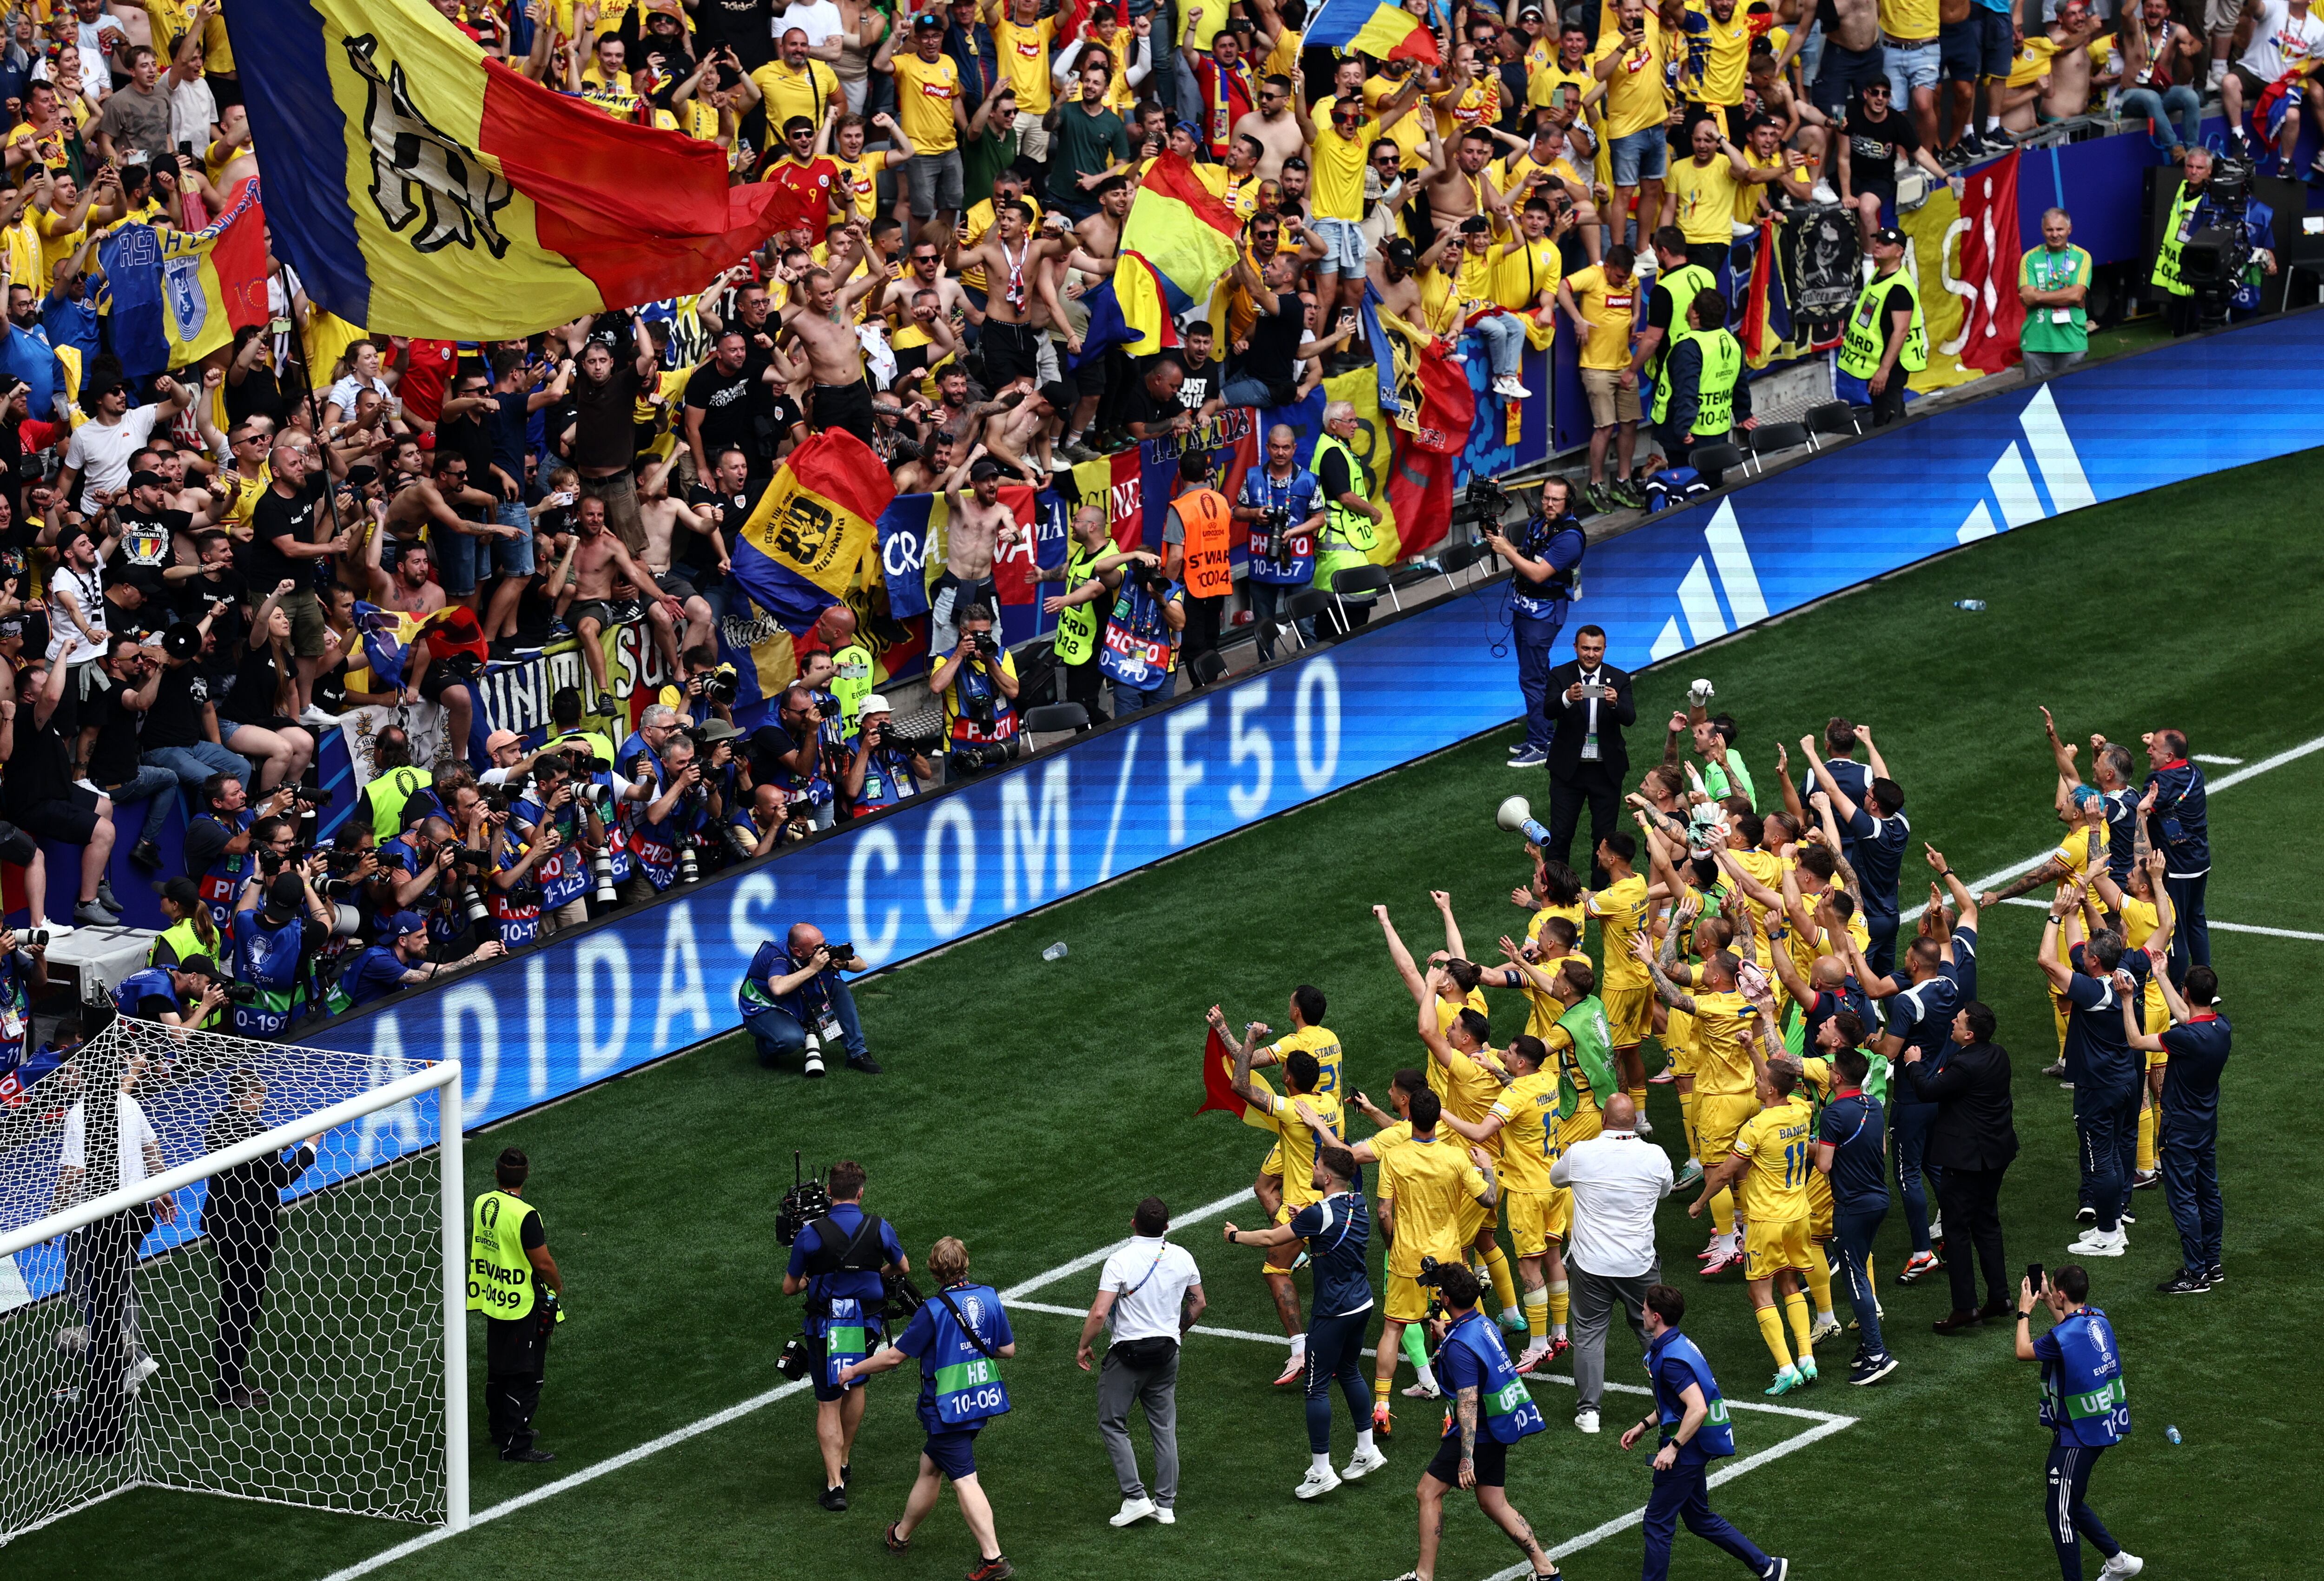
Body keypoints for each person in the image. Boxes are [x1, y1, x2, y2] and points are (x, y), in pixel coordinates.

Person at [838, 1236, 1016, 1581]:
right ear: (966, 1264)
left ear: (935, 1273)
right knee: (931, 1467)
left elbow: (894, 1357)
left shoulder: (933, 1311)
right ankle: (900, 1535)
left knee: (965, 1480)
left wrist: (853, 1369)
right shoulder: (990, 1297)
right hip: (978, 1401)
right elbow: (1007, 1350)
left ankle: (993, 1558)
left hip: (947, 1409)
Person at [1223, 1144, 1388, 1498]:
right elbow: (1328, 1223)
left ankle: (1321, 1471)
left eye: (1317, 1166)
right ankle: (1366, 1450)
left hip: (1333, 1311)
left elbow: (1270, 1238)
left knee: (1316, 1388)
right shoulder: (1356, 1201)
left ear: (1327, 1177)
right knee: (1350, 1371)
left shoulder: (1318, 1215)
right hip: (1363, 1303)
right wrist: (1307, 1218)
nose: (1312, 1170)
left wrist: (1235, 1236)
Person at [1390, 1260, 1563, 1581]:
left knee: (1428, 1493)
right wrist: (1447, 1336)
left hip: (1478, 1434)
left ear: (1446, 1300)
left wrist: (1466, 1459)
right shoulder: (1482, 1324)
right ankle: (1546, 1571)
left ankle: (1423, 1576)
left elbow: (1468, 1401)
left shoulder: (1459, 1345)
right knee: (1493, 1502)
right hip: (1498, 1427)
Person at [1618, 1283, 1791, 1581]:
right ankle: (1768, 1567)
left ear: (1657, 1316)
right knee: (1699, 1519)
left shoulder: (1671, 1359)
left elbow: (1697, 1408)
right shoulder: (1679, 1345)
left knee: (1657, 1523)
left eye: (1646, 1308)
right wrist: (1644, 1425)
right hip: (1695, 1446)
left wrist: (1673, 1447)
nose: (1642, 1312)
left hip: (1686, 1452)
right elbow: (1677, 1404)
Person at [1689, 1038, 1819, 1395]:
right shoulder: (1801, 1110)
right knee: (1790, 1284)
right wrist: (1750, 1050)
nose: (1756, 1083)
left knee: (1760, 1294)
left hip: (1766, 1221)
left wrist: (1700, 1202)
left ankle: (1786, 1367)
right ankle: (1806, 1359)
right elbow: (1773, 1077)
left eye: (1761, 1082)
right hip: (1799, 1214)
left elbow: (1725, 1173)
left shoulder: (1756, 1128)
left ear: (1772, 1089)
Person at [786, 1159, 910, 1510]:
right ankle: (843, 1460)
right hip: (867, 1324)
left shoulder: (811, 1234)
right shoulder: (879, 1227)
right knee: (854, 1384)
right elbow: (902, 1267)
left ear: (829, 1193)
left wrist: (811, 1281)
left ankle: (835, 1486)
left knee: (828, 1400)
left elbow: (789, 1287)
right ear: (860, 1193)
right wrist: (874, 1274)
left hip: (826, 1325)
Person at [1076, 1195, 1205, 1527]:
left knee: (1112, 1423)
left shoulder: (1120, 1261)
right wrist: (1177, 1332)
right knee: (1164, 1428)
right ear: (1166, 1226)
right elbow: (1199, 1302)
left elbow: (1100, 1312)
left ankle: (1135, 1497)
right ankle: (1166, 1506)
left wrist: (1084, 1346)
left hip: (1128, 1358)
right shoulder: (1183, 1256)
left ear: (1133, 1223)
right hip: (1167, 1354)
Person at [203, 1069, 322, 1410]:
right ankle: (228, 1389)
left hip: (221, 1225)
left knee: (233, 1303)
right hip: (249, 1232)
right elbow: (281, 1178)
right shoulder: (254, 1132)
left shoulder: (218, 1123)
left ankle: (231, 1381)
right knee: (243, 1308)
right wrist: (309, 1147)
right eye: (262, 1096)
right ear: (252, 1095)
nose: (264, 1102)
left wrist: (275, 1143)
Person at [2014, 1265, 2141, 1581]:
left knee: (2059, 1513)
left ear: (2061, 1293)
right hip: (2097, 1424)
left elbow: (2023, 1351)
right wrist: (2047, 1301)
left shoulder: (2067, 1333)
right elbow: (2067, 1339)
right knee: (2069, 1501)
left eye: (2052, 1290)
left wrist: (2024, 1312)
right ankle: (2118, 1561)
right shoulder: (2096, 1318)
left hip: (2077, 1436)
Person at [1904, 1001, 2020, 1331]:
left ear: (1969, 1035)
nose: (1953, 1022)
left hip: (1966, 1159)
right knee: (1987, 1224)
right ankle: (1999, 1297)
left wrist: (1914, 1065)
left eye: (1959, 1021)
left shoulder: (1964, 1066)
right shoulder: (1998, 1054)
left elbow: (1928, 1091)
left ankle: (1965, 1307)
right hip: (1996, 1154)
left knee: (1956, 1232)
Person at [2124, 964, 2228, 1293]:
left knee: (2184, 1200)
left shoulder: (2184, 1038)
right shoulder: (2221, 1028)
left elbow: (2137, 1041)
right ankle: (2212, 1263)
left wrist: (2128, 1001)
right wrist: (2161, 976)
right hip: (2205, 1125)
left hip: (2180, 1129)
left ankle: (2195, 1273)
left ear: (2186, 993)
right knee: (2208, 1193)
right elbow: (2187, 1016)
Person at [467, 1147, 564, 1464]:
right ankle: (516, 1445)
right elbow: (544, 1263)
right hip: (523, 1303)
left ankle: (500, 1430)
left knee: (498, 1370)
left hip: (494, 1297)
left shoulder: (482, 1203)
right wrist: (557, 1286)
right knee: (526, 1375)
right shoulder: (526, 1215)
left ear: (496, 1174)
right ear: (527, 1175)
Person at [1487, 478, 1585, 770]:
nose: (1549, 504)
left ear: (1569, 502)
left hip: (1544, 614)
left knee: (1532, 679)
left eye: (1556, 500)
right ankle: (1546, 734)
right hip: (1525, 608)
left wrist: (1507, 551)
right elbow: (1526, 558)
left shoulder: (1570, 537)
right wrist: (1503, 541)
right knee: (1536, 674)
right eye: (1546, 498)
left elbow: (1539, 574)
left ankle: (1539, 744)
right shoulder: (1538, 522)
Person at [1813, 1041, 1896, 1384]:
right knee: (1859, 1269)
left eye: (1832, 1069)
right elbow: (1881, 1148)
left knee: (1854, 1277)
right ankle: (1868, 1347)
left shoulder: (1833, 1114)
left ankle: (1877, 1353)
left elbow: (1824, 1165)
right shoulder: (1874, 1105)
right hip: (1878, 1200)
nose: (1829, 1072)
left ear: (1837, 1077)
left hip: (1851, 1207)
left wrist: (1809, 1148)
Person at [1543, 626, 1636, 887]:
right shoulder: (1560, 675)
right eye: (1586, 648)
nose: (1591, 654)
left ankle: (1600, 895)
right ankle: (1557, 891)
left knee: (1604, 838)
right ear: (1575, 648)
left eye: (1597, 649)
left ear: (1605, 650)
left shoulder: (1619, 679)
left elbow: (1630, 718)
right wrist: (1567, 698)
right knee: (1561, 835)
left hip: (1605, 771)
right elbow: (1548, 710)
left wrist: (1615, 704)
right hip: (1568, 772)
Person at [1235, 423, 1324, 663]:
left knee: (1305, 626)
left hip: (1298, 564)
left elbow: (1320, 519)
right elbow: (1237, 511)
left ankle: (1309, 667)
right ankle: (1267, 671)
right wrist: (1254, 514)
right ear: (1268, 448)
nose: (1281, 453)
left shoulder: (1308, 480)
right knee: (1264, 628)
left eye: (1286, 448)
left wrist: (1295, 531)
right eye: (1275, 447)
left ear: (1294, 449)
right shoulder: (1253, 477)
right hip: (1263, 566)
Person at [739, 923, 879, 1076]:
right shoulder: (777, 957)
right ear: (798, 951)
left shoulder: (818, 951)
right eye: (817, 947)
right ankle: (765, 1047)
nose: (823, 950)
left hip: (797, 999)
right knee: (792, 1039)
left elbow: (863, 965)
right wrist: (813, 968)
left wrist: (845, 964)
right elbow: (778, 988)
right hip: (766, 1007)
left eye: (823, 943)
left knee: (838, 987)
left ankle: (857, 1053)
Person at [1835, 225, 1925, 428]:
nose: (1878, 245)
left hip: (1890, 366)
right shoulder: (1880, 275)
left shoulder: (1899, 287)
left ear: (1899, 251)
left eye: (1886, 243)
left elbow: (1901, 331)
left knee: (1890, 423)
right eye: (1878, 241)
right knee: (1885, 416)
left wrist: (1884, 370)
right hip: (1878, 362)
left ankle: (1901, 456)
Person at [2140, 728, 2208, 983]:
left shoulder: (2159, 782)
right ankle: (2205, 983)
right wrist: (2158, 745)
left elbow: (2145, 808)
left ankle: (2180, 988)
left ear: (2169, 757)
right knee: (2196, 922)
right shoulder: (2194, 771)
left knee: (2174, 929)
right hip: (2200, 862)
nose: (2148, 751)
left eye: (2153, 749)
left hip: (2176, 868)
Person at [930, 601, 1020, 777]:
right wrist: (959, 655)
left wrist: (990, 663)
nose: (983, 638)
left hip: (999, 745)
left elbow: (1013, 692)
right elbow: (936, 686)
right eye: (977, 634)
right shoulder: (946, 659)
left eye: (987, 633)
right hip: (960, 748)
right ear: (963, 632)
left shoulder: (1001, 655)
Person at [2018, 209, 2092, 379]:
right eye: (2050, 230)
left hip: (2072, 342)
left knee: (2071, 402)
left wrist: (2040, 297)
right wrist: (2067, 298)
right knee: (2037, 402)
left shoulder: (2082, 256)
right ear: (2043, 230)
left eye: (2060, 229)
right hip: (2037, 343)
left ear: (2069, 230)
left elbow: (2076, 295)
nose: (2055, 234)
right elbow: (2028, 298)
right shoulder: (2030, 258)